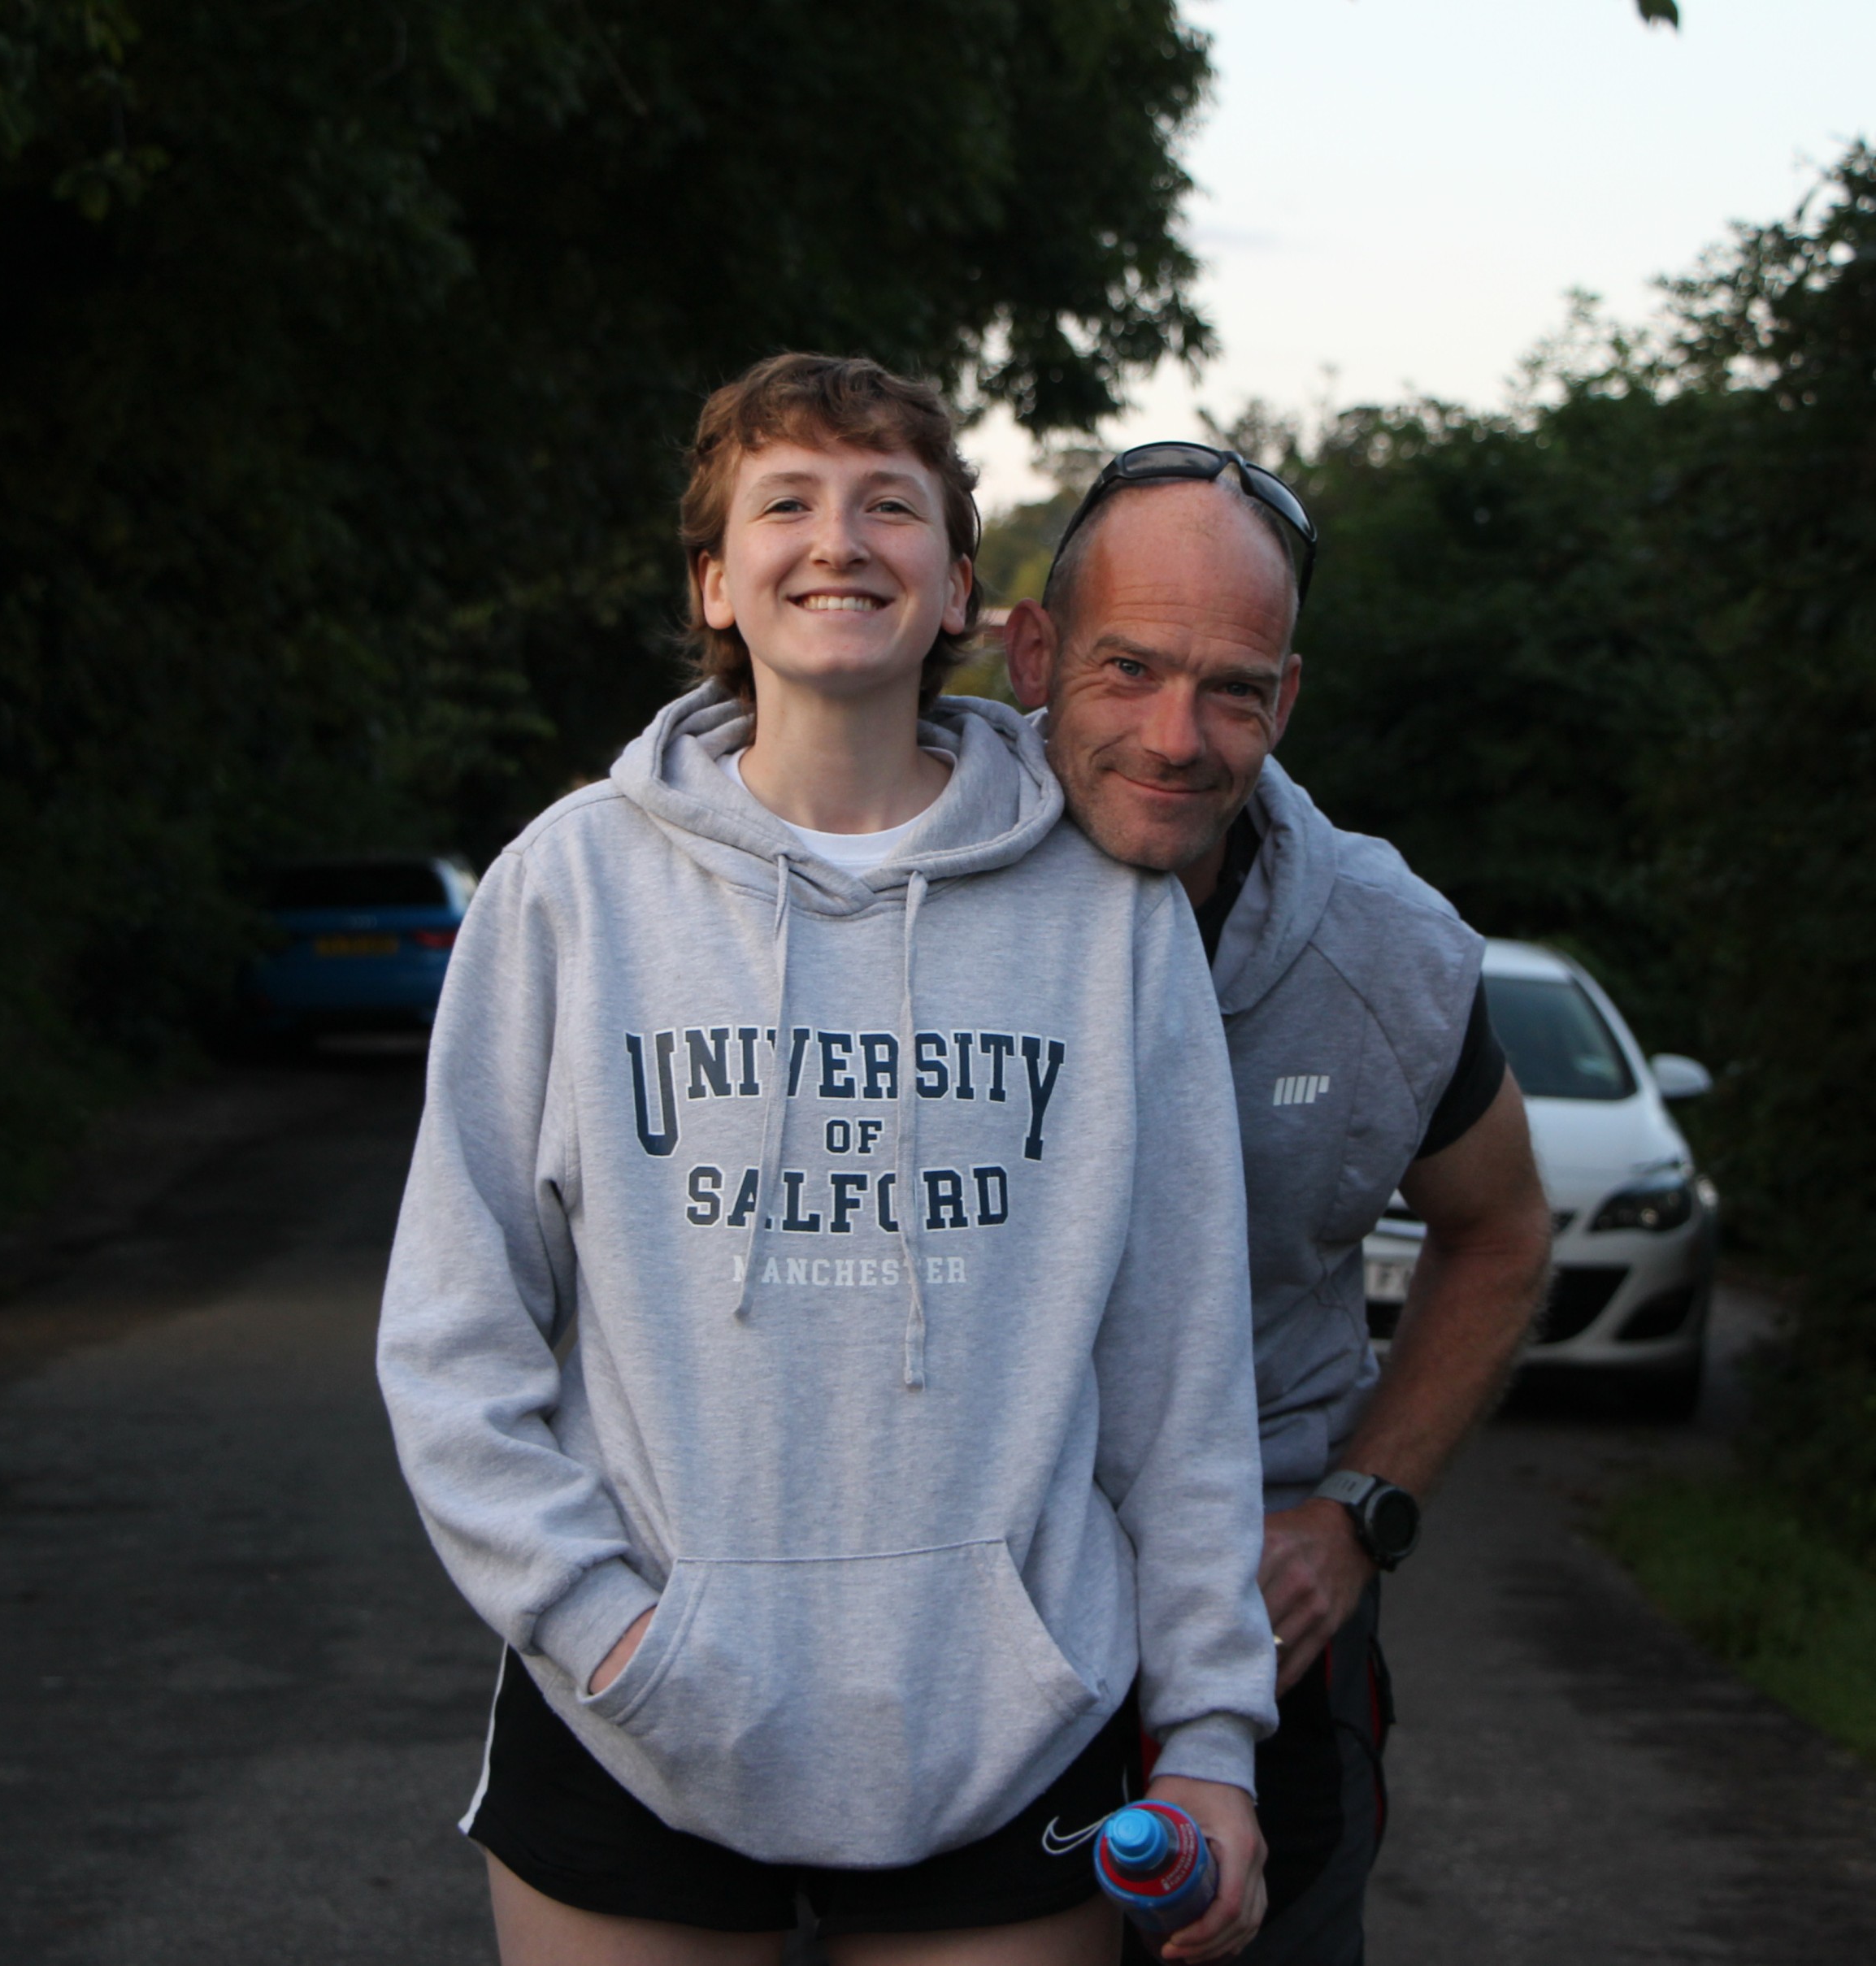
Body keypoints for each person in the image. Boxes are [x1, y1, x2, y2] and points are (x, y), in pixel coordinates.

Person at [377, 360, 1278, 1966]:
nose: (835, 537)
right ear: (714, 582)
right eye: (781, 500)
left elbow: (1179, 1368)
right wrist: (607, 1629)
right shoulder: (569, 884)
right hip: (633, 1712)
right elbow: (450, 1335)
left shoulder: (1105, 912)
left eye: (887, 504)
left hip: (1012, 1717)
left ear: (959, 593)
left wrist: (1207, 1731)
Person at [1005, 445, 1555, 1965]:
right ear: (1031, 655)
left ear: (1288, 700)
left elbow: (1503, 1231)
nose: (1177, 738)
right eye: (1127, 669)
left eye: (1234, 687)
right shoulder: (896, 876)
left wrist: (1361, 1513)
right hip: (937, 1626)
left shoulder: (1385, 956)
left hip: (1261, 1632)